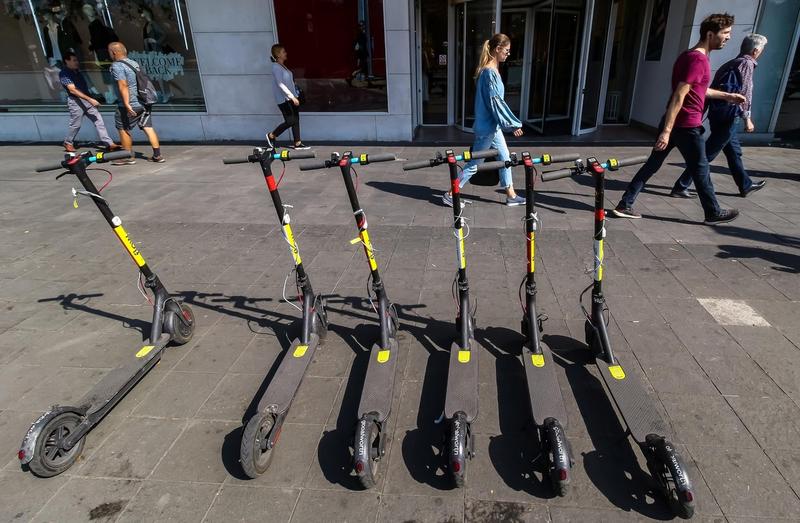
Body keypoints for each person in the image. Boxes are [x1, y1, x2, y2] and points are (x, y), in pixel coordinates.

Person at [612, 13, 745, 224]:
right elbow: (679, 95)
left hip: (675, 122)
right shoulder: (698, 60)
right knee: (700, 169)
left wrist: (728, 96)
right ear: (710, 34)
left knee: (653, 165)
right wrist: (667, 130)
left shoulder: (688, 56)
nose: (728, 37)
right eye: (725, 33)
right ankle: (712, 211)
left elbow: (698, 90)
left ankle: (625, 204)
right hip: (685, 126)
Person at [670, 34, 768, 198]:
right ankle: (681, 185)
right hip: (729, 115)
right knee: (708, 153)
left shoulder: (731, 63)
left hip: (719, 113)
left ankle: (745, 184)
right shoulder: (746, 63)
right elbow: (745, 92)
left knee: (733, 151)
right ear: (756, 50)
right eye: (762, 50)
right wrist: (747, 118)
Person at [442, 33, 525, 208]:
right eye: (507, 51)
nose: (508, 54)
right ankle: (450, 194)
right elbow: (496, 103)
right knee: (475, 164)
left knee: (505, 157)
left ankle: (511, 194)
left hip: (492, 127)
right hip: (487, 128)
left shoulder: (490, 71)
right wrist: (512, 124)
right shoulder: (489, 73)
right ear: (497, 49)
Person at [108, 41, 164, 164]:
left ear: (114, 52)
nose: (109, 54)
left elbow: (123, 85)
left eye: (109, 52)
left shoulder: (117, 66)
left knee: (123, 128)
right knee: (147, 127)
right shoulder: (133, 63)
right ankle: (157, 155)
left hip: (130, 104)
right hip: (144, 102)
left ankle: (128, 157)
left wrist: (127, 104)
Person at [59, 51, 120, 153]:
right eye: (74, 60)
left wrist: (93, 96)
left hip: (87, 99)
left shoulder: (77, 72)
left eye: (77, 60)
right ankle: (68, 142)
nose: (77, 62)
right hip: (76, 101)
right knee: (76, 124)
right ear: (67, 61)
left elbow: (85, 87)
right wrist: (90, 99)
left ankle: (109, 144)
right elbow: (72, 89)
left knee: (99, 121)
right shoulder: (64, 74)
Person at [266, 44, 309, 150]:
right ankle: (271, 135)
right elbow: (280, 84)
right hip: (283, 99)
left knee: (296, 119)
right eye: (283, 52)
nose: (286, 53)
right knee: (290, 121)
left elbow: (289, 82)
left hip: (292, 97)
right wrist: (292, 97)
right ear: (278, 54)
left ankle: (297, 143)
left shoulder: (283, 66)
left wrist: (295, 95)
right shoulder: (276, 67)